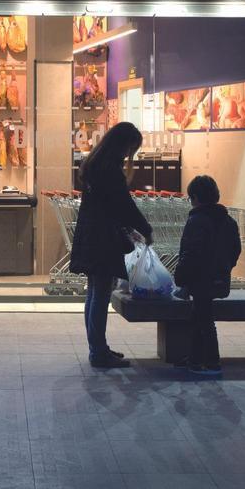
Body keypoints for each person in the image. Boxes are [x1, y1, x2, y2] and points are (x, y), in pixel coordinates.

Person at [70, 122, 153, 369]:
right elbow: (124, 205)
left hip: (91, 234)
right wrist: (144, 229)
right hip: (102, 239)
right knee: (100, 294)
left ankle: (97, 347)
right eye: (130, 148)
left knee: (94, 292)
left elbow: (108, 205)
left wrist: (129, 229)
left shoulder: (93, 165)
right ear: (122, 144)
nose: (130, 154)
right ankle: (98, 351)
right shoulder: (111, 170)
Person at [173, 175, 241, 377]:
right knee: (199, 317)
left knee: (204, 321)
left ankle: (211, 362)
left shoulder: (197, 221)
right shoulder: (228, 220)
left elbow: (190, 252)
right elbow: (235, 250)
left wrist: (180, 277)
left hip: (200, 279)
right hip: (219, 277)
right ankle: (195, 356)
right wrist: (225, 268)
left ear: (195, 197)